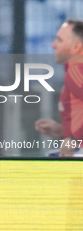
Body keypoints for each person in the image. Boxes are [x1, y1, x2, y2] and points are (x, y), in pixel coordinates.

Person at [35, 19, 83, 157]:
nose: (53, 45)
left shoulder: (77, 71)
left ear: (76, 47)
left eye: (59, 40)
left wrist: (73, 141)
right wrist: (62, 132)